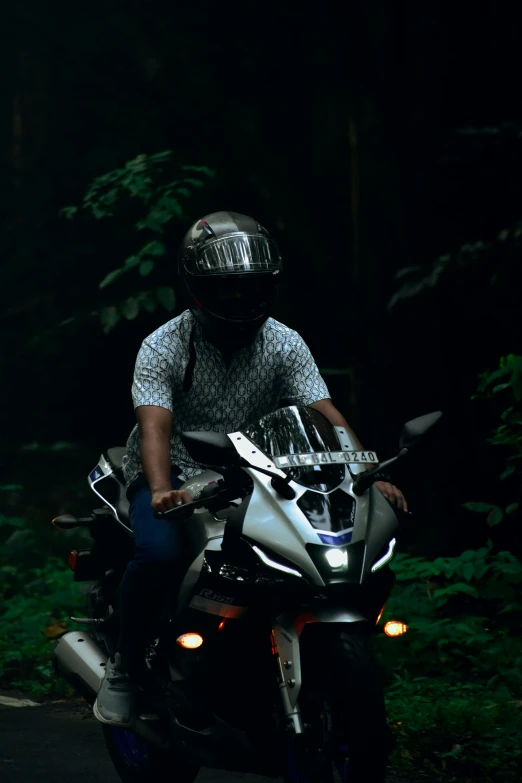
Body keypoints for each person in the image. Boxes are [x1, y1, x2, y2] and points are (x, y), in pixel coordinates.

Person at [93, 210, 407, 726]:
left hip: (264, 475)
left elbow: (324, 413)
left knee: (306, 560)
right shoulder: (164, 345)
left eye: (250, 287)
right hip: (179, 474)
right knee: (157, 552)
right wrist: (160, 489)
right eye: (226, 289)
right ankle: (126, 666)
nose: (238, 299)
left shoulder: (284, 341)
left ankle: (250, 665)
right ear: (198, 288)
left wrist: (366, 472)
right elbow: (154, 427)